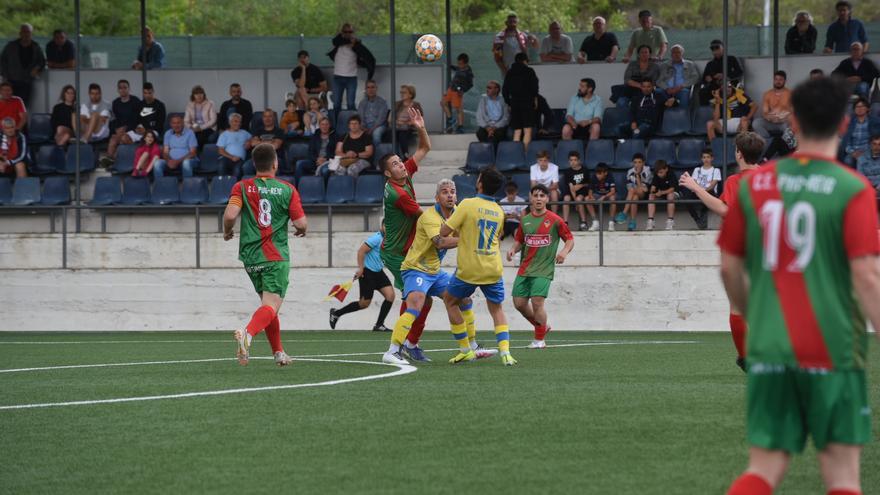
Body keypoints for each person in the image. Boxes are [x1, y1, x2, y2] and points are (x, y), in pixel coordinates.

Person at [719, 76, 880, 495]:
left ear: (794, 122)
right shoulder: (852, 188)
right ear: (843, 124)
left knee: (762, 472)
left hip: (772, 345)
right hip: (833, 346)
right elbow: (867, 277)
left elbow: (729, 269)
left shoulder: (755, 185)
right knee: (843, 479)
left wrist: (755, 314)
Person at [381, 179, 494, 365]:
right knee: (416, 304)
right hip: (415, 268)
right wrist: (469, 238)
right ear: (437, 197)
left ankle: (471, 347)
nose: (450, 195)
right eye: (445, 192)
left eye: (453, 191)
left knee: (463, 299)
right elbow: (440, 242)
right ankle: (392, 351)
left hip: (435, 271)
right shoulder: (429, 217)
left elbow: (468, 231)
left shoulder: (457, 212)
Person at [679, 131, 765, 370]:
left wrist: (696, 187)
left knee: (737, 306)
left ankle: (746, 356)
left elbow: (724, 209)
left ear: (739, 153)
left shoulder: (735, 182)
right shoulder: (771, 178)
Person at [227, 143, 308, 367]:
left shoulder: (242, 187)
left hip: (251, 257)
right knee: (271, 305)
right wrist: (301, 230)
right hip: (275, 256)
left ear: (254, 164)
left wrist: (227, 232)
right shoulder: (287, 189)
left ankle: (278, 353)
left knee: (269, 305)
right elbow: (301, 222)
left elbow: (230, 214)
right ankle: (248, 333)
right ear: (275, 163)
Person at [439, 168, 516, 365]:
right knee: (497, 309)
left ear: (480, 183)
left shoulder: (467, 204)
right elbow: (495, 238)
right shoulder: (499, 211)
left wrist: (459, 229)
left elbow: (444, 231)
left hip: (470, 268)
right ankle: (506, 353)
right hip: (492, 267)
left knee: (450, 301)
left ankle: (465, 349)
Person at [380, 107, 434, 354]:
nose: (401, 165)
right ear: (387, 173)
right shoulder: (397, 193)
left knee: (426, 298)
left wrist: (420, 127)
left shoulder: (404, 176)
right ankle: (400, 346)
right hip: (396, 253)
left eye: (400, 161)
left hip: (408, 250)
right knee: (414, 298)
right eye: (395, 164)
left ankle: (411, 342)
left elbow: (424, 149)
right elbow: (424, 217)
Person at [508, 184, 574, 349]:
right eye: (535, 195)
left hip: (543, 269)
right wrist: (512, 250)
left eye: (542, 196)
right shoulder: (525, 220)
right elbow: (519, 241)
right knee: (519, 304)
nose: (538, 199)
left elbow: (570, 239)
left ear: (547, 199)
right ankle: (543, 326)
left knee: (537, 303)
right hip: (525, 268)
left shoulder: (555, 220)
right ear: (530, 198)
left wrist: (564, 252)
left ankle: (539, 340)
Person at [329, 230, 395, 333]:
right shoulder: (376, 238)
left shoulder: (390, 239)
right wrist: (361, 269)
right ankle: (336, 313)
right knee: (364, 304)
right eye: (385, 225)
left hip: (379, 272)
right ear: (382, 226)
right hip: (368, 273)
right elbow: (361, 251)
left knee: (390, 296)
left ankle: (379, 325)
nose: (388, 228)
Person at [328, 23, 376, 111]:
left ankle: (353, 123)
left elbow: (368, 57)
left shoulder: (357, 45)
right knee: (337, 103)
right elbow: (335, 41)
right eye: (345, 32)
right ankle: (337, 123)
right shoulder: (338, 44)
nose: (348, 33)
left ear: (353, 32)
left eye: (350, 32)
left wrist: (369, 72)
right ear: (342, 32)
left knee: (351, 104)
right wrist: (350, 41)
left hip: (351, 78)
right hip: (338, 77)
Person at [0, 24, 45, 107]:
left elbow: (42, 61)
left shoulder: (36, 46)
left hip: (27, 82)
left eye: (28, 32)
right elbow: (2, 61)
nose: (26, 34)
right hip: (11, 81)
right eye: (24, 32)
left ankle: (23, 120)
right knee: (10, 104)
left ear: (31, 34)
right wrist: (5, 76)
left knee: (24, 106)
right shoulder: (11, 46)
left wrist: (37, 68)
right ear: (20, 33)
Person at [502, 52, 539, 148]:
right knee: (527, 130)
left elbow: (505, 90)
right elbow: (534, 87)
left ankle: (516, 154)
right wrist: (534, 99)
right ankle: (525, 153)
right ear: (525, 60)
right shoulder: (529, 71)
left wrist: (509, 103)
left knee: (517, 131)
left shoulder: (510, 72)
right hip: (527, 103)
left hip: (514, 103)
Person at [103, 79, 143, 167]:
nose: (123, 90)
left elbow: (138, 119)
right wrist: (116, 129)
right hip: (120, 130)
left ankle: (113, 160)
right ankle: (108, 161)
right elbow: (114, 120)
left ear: (129, 89)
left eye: (125, 87)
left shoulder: (135, 101)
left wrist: (126, 128)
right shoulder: (115, 103)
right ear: (118, 90)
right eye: (120, 88)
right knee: (113, 139)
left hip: (134, 130)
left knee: (123, 139)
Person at [680, 148, 720, 230]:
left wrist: (702, 192)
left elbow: (713, 185)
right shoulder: (697, 170)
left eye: (708, 157)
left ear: (712, 158)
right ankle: (698, 219)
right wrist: (699, 191)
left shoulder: (716, 170)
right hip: (697, 191)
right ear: (701, 159)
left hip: (710, 192)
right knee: (686, 198)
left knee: (708, 194)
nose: (706, 159)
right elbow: (694, 183)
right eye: (704, 157)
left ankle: (703, 217)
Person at [752, 71, 792, 144]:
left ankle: (784, 146)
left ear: (785, 81)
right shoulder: (767, 94)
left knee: (791, 125)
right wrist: (770, 117)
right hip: (772, 122)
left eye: (780, 79)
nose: (778, 81)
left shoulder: (791, 93)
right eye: (776, 79)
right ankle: (768, 141)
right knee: (756, 123)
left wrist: (783, 118)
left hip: (785, 122)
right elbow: (765, 112)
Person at [699, 40, 743, 105]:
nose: (715, 51)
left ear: (723, 48)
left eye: (717, 48)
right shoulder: (710, 64)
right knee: (702, 92)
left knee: (726, 90)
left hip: (729, 84)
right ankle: (708, 113)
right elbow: (703, 79)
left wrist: (724, 75)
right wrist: (707, 79)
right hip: (714, 86)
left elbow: (740, 72)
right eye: (713, 49)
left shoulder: (731, 59)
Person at [243, 109, 285, 176]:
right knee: (246, 166)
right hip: (258, 158)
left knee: (274, 167)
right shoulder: (257, 131)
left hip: (274, 158)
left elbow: (276, 146)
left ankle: (272, 186)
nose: (267, 119)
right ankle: (251, 185)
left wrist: (259, 142)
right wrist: (270, 142)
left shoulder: (279, 131)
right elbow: (253, 143)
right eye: (265, 116)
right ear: (262, 118)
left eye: (270, 116)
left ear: (274, 118)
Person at [840, 97, 880, 167]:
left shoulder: (875, 121)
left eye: (862, 106)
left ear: (867, 108)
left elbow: (876, 139)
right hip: (853, 152)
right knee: (847, 161)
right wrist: (852, 152)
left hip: (868, 150)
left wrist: (867, 151)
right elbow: (846, 141)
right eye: (857, 107)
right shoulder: (849, 122)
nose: (859, 109)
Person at [617, 44, 660, 109]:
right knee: (621, 102)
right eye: (642, 52)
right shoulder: (632, 64)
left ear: (650, 54)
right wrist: (640, 85)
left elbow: (654, 82)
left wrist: (645, 87)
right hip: (631, 90)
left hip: (648, 91)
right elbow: (627, 79)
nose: (644, 54)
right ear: (638, 54)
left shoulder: (655, 66)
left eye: (646, 52)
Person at [296, 117, 337, 182]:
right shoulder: (315, 136)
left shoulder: (334, 137)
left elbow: (336, 152)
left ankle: (323, 190)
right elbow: (310, 151)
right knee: (299, 163)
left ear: (329, 125)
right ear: (319, 126)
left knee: (324, 170)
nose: (324, 126)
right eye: (322, 124)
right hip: (315, 161)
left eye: (326, 124)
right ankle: (297, 187)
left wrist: (326, 159)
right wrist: (317, 159)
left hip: (328, 161)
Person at [658, 45, 699, 109]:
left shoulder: (690, 64)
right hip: (666, 90)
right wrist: (667, 88)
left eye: (678, 52)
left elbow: (695, 78)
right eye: (674, 52)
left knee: (685, 94)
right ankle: (661, 117)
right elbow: (659, 81)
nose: (676, 54)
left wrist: (681, 86)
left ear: (682, 53)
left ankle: (682, 116)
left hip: (682, 89)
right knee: (657, 93)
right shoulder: (664, 65)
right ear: (671, 54)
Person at [619, 153, 653, 231]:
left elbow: (644, 190)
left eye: (639, 162)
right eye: (635, 162)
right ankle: (632, 222)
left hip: (645, 195)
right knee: (634, 197)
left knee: (633, 190)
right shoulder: (630, 172)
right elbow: (629, 187)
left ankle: (624, 213)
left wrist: (637, 176)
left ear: (643, 163)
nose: (637, 164)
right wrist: (636, 188)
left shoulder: (647, 171)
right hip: (634, 194)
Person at [441, 53, 474, 134]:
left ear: (466, 63)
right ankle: (450, 119)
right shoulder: (459, 68)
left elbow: (470, 84)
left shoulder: (468, 73)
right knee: (443, 103)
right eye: (458, 63)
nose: (459, 65)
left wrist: (463, 90)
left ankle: (460, 126)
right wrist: (449, 65)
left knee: (458, 108)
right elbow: (455, 68)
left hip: (457, 91)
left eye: (461, 64)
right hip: (451, 88)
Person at [392, 84, 423, 158]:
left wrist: (407, 123)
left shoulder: (416, 105)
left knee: (402, 133)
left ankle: (405, 155)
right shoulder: (397, 104)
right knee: (393, 134)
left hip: (409, 128)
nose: (401, 94)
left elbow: (419, 119)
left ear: (410, 94)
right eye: (401, 92)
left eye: (404, 92)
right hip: (396, 127)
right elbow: (391, 118)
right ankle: (398, 156)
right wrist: (397, 122)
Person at [217, 113, 252, 178]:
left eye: (239, 122)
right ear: (230, 122)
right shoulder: (224, 134)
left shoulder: (244, 132)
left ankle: (235, 187)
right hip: (227, 158)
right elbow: (220, 151)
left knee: (237, 170)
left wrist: (249, 141)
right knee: (221, 166)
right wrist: (232, 157)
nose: (238, 124)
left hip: (240, 159)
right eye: (235, 121)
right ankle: (222, 185)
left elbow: (253, 138)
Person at [475, 80, 509, 146]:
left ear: (496, 89)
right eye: (487, 87)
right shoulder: (483, 100)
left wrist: (495, 127)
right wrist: (487, 127)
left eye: (489, 88)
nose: (487, 89)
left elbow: (506, 117)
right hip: (486, 126)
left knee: (498, 134)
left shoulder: (503, 100)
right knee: (480, 133)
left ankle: (494, 153)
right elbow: (479, 116)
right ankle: (487, 152)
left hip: (499, 126)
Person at [562, 151, 590, 230]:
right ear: (569, 161)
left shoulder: (585, 170)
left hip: (582, 191)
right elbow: (571, 188)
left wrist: (581, 185)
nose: (573, 162)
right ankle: (565, 222)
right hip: (571, 191)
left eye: (575, 160)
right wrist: (575, 203)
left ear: (579, 161)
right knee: (566, 199)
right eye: (571, 160)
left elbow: (588, 184)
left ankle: (583, 222)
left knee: (579, 199)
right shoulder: (567, 172)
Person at [357, 80, 388, 150]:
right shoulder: (362, 103)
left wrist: (372, 129)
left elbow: (381, 118)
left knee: (376, 135)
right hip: (364, 126)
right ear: (366, 89)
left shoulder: (382, 102)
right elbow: (360, 117)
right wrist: (363, 128)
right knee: (356, 132)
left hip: (378, 126)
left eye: (372, 87)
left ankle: (377, 158)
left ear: (376, 88)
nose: (370, 90)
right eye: (368, 87)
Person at [646, 160, 677, 231]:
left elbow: (672, 188)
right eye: (657, 173)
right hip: (662, 193)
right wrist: (654, 192)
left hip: (674, 193)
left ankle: (670, 221)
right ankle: (650, 221)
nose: (659, 174)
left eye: (661, 172)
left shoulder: (671, 173)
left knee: (670, 195)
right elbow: (652, 188)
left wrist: (662, 192)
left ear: (666, 169)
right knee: (651, 196)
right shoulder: (656, 175)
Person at [588, 163, 618, 231]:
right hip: (597, 195)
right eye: (597, 173)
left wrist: (604, 197)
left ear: (605, 173)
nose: (597, 175)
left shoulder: (610, 176)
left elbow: (613, 191)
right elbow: (590, 190)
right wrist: (591, 197)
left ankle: (611, 222)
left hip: (607, 195)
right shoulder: (594, 176)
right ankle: (595, 222)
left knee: (613, 198)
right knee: (587, 199)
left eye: (599, 174)